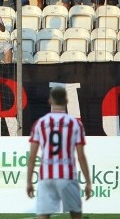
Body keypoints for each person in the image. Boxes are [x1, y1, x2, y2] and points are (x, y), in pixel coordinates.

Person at [26, 87, 92, 219]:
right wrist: (88, 182)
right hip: (67, 175)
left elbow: (32, 156)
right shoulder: (75, 123)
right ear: (67, 100)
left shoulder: (40, 123)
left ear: (50, 101)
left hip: (46, 176)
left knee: (43, 216)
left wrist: (29, 182)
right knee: (76, 214)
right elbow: (80, 156)